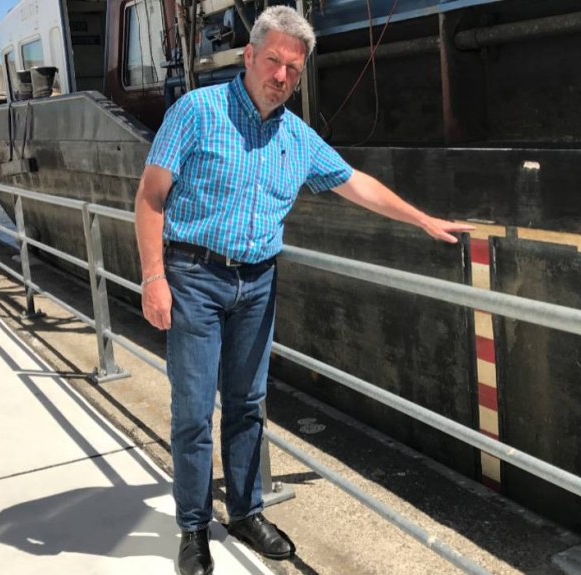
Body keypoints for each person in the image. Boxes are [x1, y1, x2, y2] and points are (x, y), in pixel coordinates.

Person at [134, 6, 473, 575]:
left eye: (293, 68)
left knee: (246, 404)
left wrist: (421, 219)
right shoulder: (197, 111)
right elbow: (150, 198)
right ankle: (193, 527)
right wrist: (153, 278)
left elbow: (356, 183)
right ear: (250, 56)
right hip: (193, 276)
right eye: (272, 61)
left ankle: (244, 510)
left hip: (259, 281)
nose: (281, 76)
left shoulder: (298, 137)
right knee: (193, 412)